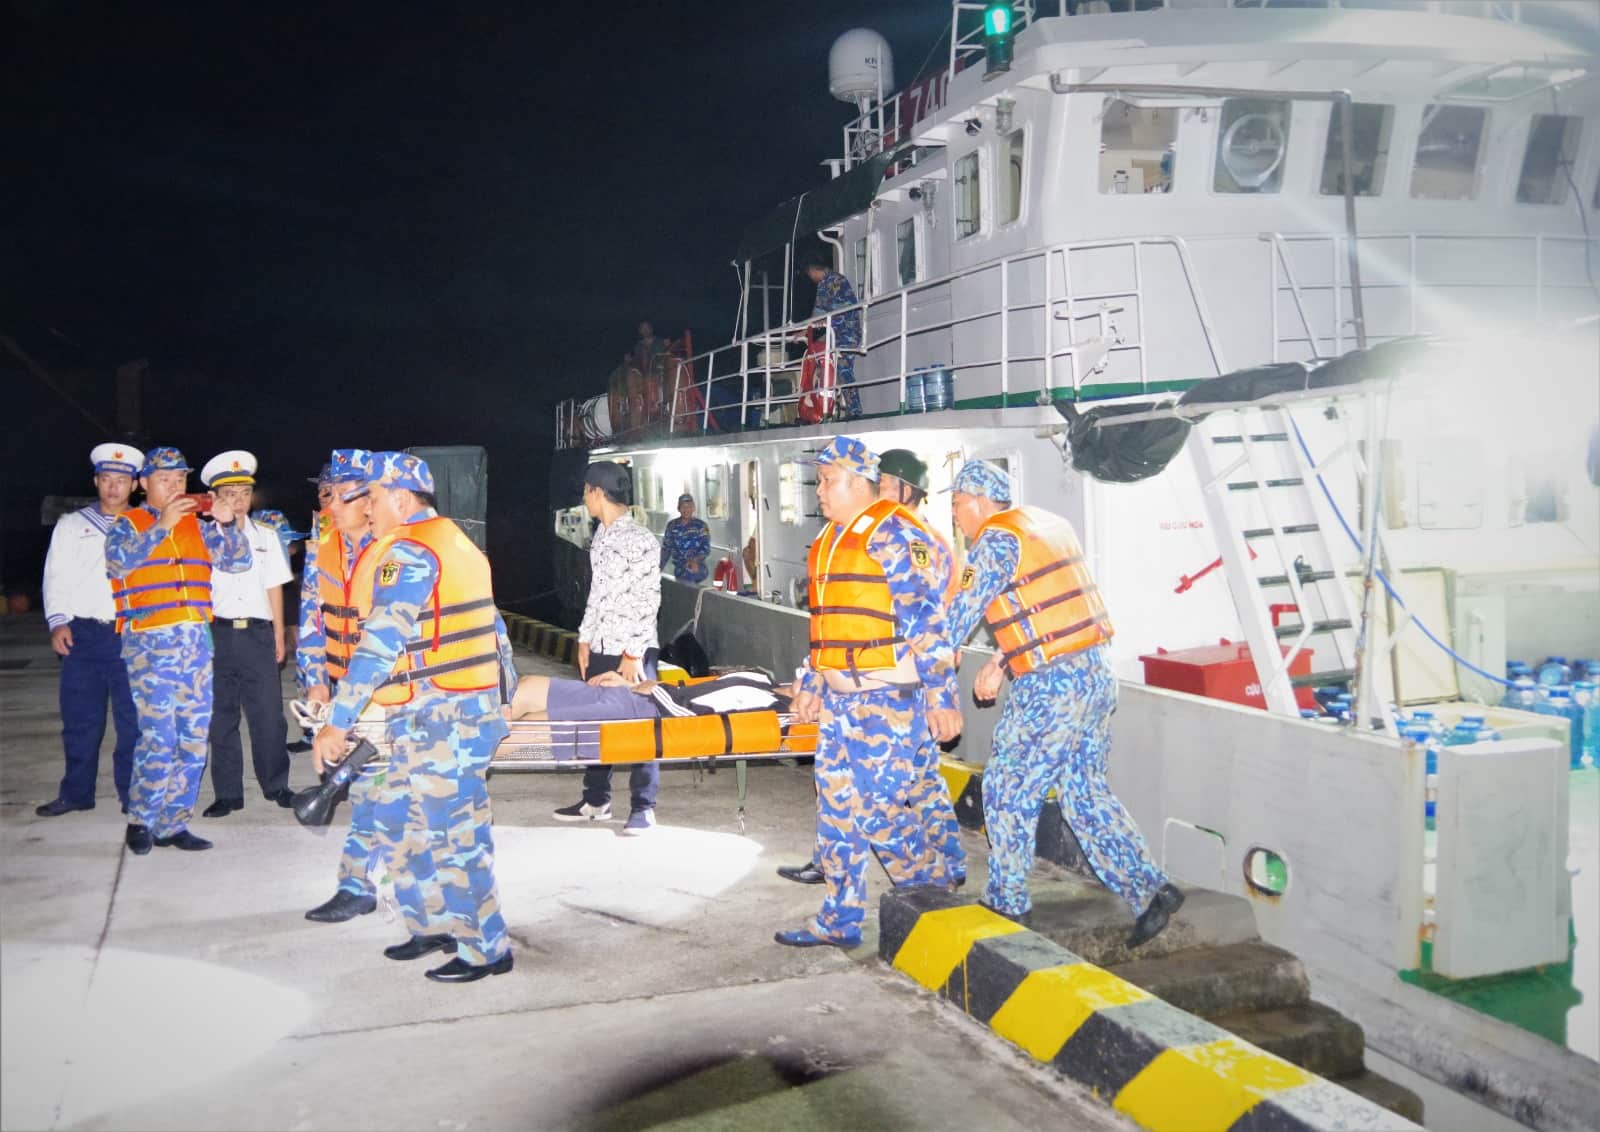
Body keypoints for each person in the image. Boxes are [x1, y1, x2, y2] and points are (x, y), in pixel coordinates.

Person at [944, 460, 1183, 947]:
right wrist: (1002, 661)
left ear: (981, 502)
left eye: (957, 504)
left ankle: (1007, 900)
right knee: (1083, 792)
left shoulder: (994, 541)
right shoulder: (1045, 527)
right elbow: (1049, 612)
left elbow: (957, 617)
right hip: (1094, 674)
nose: (954, 516)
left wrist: (918, 661)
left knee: (1008, 786)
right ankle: (1150, 889)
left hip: (1051, 687)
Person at [312, 452, 518, 983]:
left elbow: (380, 644)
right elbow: (497, 631)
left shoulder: (409, 553)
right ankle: (433, 925)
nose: (368, 508)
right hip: (426, 716)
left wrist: (338, 721)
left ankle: (486, 950)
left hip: (447, 720)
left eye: (374, 498)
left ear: (401, 500)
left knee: (455, 836)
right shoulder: (452, 541)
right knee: (398, 822)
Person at [776, 437, 961, 948]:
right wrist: (813, 682)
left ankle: (933, 889)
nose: (819, 491)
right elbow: (828, 627)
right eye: (818, 481)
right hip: (840, 702)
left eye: (827, 481)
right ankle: (839, 920)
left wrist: (942, 698)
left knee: (878, 811)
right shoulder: (831, 539)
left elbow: (927, 622)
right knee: (837, 812)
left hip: (886, 703)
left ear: (860, 483)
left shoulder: (896, 534)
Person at [106, 445, 252, 855]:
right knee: (159, 736)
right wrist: (161, 526)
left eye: (180, 478)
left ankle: (173, 823)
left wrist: (227, 523)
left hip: (195, 642)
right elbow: (118, 564)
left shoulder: (199, 526)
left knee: (193, 737)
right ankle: (142, 819)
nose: (174, 486)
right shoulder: (127, 524)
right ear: (143, 483)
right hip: (149, 642)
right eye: (164, 479)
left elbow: (238, 562)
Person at [296, 449, 386, 924]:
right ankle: (360, 886)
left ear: (368, 500)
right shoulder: (322, 548)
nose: (328, 504)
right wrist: (316, 684)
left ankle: (361, 886)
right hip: (344, 687)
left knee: (379, 790)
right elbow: (312, 622)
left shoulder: (394, 548)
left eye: (338, 495)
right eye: (326, 494)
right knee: (371, 788)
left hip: (389, 690)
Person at [553, 461, 663, 835]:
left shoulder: (640, 539)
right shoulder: (601, 534)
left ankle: (643, 807)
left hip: (633, 650)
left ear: (597, 492)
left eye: (585, 492)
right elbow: (598, 594)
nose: (583, 499)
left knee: (640, 724)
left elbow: (649, 600)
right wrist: (584, 638)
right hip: (601, 644)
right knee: (597, 721)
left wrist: (632, 654)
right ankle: (596, 799)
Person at [36, 443, 145, 817]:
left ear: (134, 485)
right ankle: (76, 793)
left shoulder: (147, 524)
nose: (113, 487)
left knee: (133, 722)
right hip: (83, 635)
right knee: (80, 720)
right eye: (107, 479)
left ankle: (132, 795)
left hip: (132, 634)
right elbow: (56, 576)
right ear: (96, 481)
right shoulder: (71, 525)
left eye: (122, 480)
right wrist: (58, 621)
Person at [199, 450, 297, 816]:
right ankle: (228, 793)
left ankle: (276, 784)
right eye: (229, 494)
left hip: (257, 634)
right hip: (217, 634)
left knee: (268, 715)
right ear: (214, 498)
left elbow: (275, 587)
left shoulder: (267, 537)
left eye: (244, 493)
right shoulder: (202, 537)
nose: (238, 501)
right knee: (221, 716)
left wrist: (278, 635)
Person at [508, 668, 788, 722]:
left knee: (530, 724)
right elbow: (697, 688)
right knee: (528, 685)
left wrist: (655, 690)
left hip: (644, 712)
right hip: (632, 694)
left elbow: (692, 716)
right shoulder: (760, 677)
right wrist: (629, 685)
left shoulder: (774, 708)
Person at [803, 250, 863, 421]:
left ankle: (854, 411)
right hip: (839, 333)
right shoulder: (832, 281)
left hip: (846, 333)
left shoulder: (830, 282)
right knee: (829, 365)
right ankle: (828, 407)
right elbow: (820, 314)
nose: (811, 278)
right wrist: (807, 330)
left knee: (843, 370)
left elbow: (826, 312)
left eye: (809, 274)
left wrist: (809, 327)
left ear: (812, 270)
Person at [660, 493, 710, 584]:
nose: (686, 510)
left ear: (693, 508)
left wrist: (694, 560)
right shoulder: (671, 525)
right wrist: (657, 569)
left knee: (689, 574)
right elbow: (666, 549)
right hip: (680, 568)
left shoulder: (701, 526)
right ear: (678, 508)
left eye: (689, 506)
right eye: (683, 507)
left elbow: (705, 548)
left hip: (698, 567)